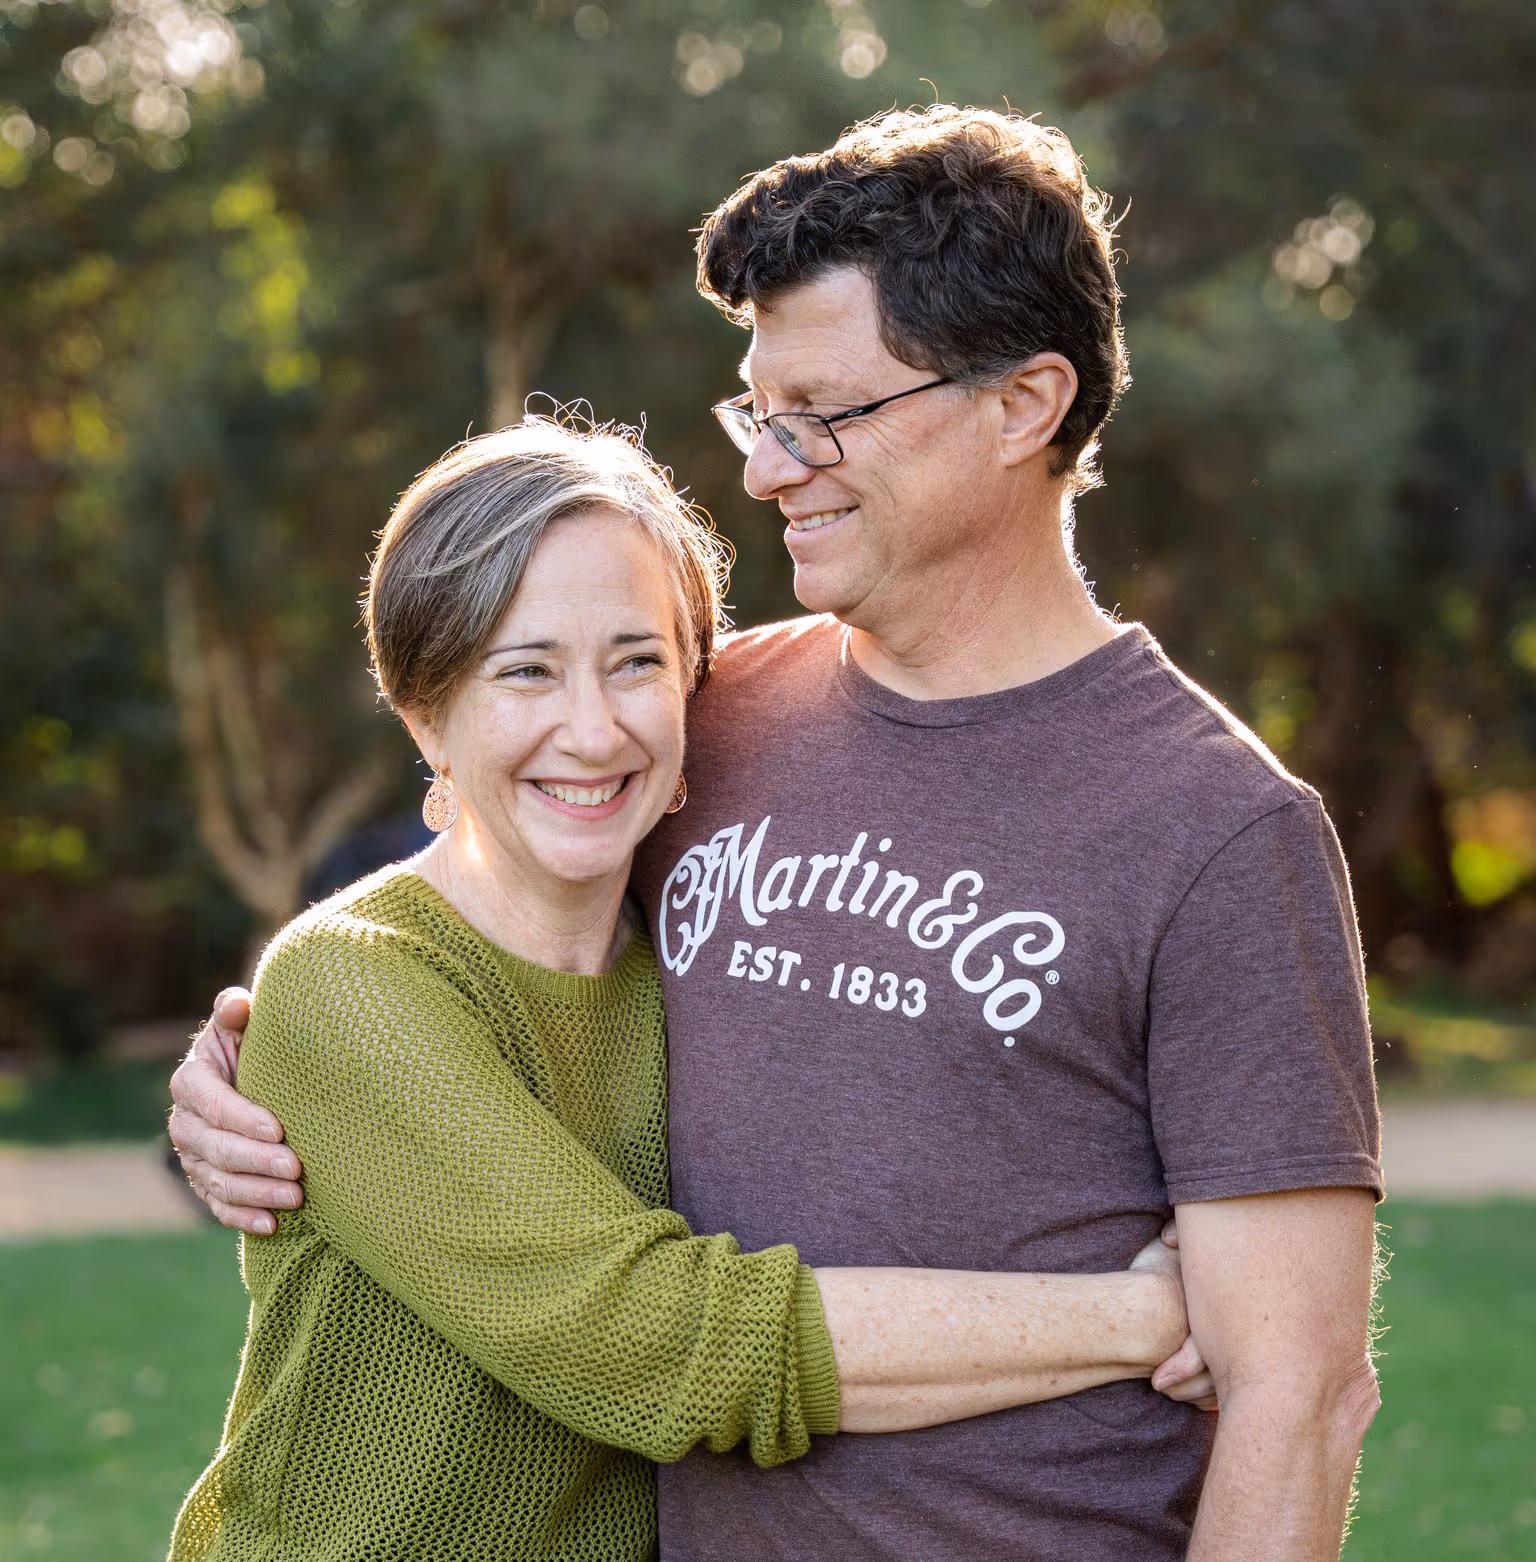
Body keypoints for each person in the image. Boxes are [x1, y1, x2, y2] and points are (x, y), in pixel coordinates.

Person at [171, 106, 1383, 1561]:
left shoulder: (1220, 830)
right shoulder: (709, 724)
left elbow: (1298, 1397)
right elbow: (491, 940)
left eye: (828, 413)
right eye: (760, 409)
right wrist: (255, 1062)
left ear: (1023, 404)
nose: (764, 467)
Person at [166, 418, 1207, 1562]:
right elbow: (656, 1342)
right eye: (526, 670)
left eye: (637, 661)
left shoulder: (697, 953)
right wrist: (1144, 1312)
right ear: (427, 715)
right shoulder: (353, 981)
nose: (594, 728)